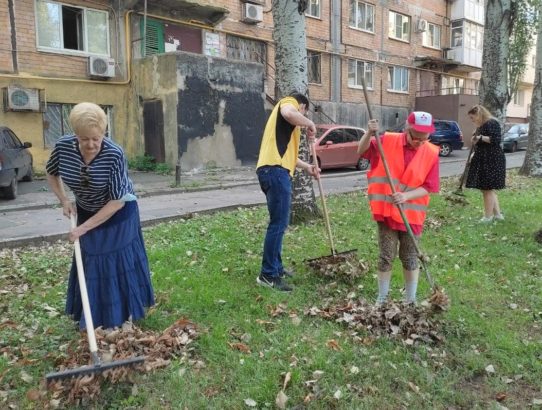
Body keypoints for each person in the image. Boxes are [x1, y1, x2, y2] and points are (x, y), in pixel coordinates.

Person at [46, 102, 154, 330]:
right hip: (86, 209)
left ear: (104, 133)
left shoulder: (114, 154)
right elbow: (51, 172)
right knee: (91, 260)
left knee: (114, 262)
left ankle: (123, 316)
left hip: (118, 213)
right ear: (75, 135)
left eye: (97, 138)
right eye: (85, 138)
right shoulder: (63, 147)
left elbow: (116, 201)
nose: (92, 144)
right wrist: (64, 200)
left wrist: (82, 229)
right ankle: (94, 315)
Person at [357, 112, 440, 305]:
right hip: (386, 213)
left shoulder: (431, 152)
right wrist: (368, 133)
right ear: (406, 129)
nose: (419, 142)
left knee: (410, 257)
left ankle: (410, 300)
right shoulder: (387, 141)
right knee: (386, 256)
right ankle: (382, 298)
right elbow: (361, 151)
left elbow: (430, 186)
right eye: (416, 137)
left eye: (424, 138)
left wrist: (406, 196)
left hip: (412, 214)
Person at [256, 92, 319, 292]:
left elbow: (289, 156)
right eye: (304, 112)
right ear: (302, 106)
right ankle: (267, 275)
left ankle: (277, 268)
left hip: (275, 169)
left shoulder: (284, 130)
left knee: (279, 222)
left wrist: (308, 167)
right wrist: (309, 123)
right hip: (275, 171)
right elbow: (289, 113)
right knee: (279, 223)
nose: (302, 116)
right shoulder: (289, 103)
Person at [465, 104, 506, 222]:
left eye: (472, 118)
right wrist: (475, 140)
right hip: (484, 159)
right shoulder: (481, 126)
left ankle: (488, 217)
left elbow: (496, 140)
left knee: (487, 188)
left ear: (479, 115)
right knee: (488, 188)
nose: (472, 120)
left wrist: (480, 137)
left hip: (492, 159)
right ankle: (498, 215)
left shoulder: (491, 123)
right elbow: (479, 142)